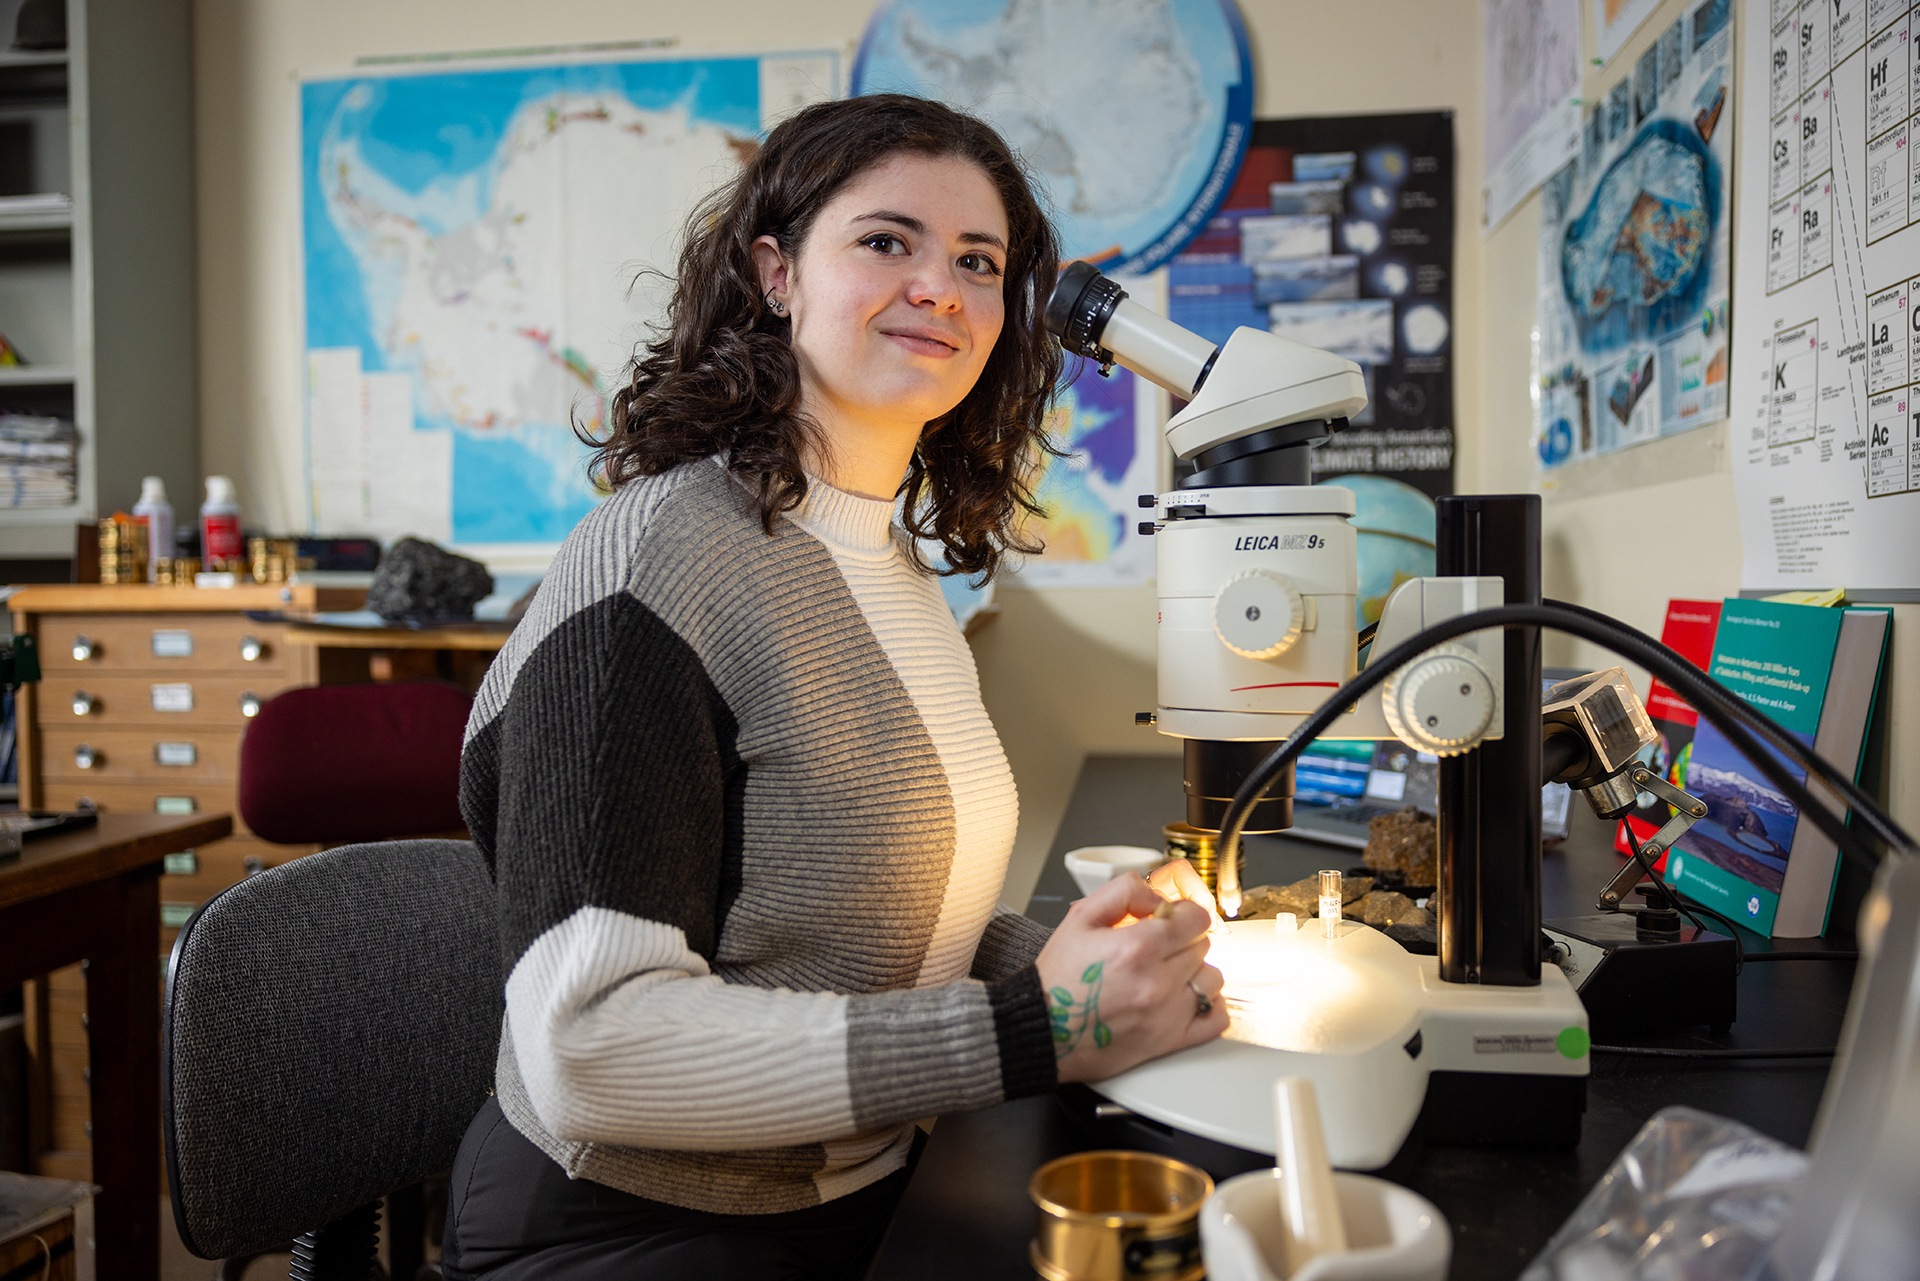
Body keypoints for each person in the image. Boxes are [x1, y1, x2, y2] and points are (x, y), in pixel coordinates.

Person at [441, 93, 1227, 1280]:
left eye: (977, 261)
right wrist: (1038, 1025)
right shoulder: (657, 562)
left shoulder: (880, 556)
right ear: (775, 273)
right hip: (643, 1225)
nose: (941, 288)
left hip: (852, 1183)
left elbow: (856, 921)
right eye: (886, 241)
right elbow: (590, 1046)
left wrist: (1080, 961)